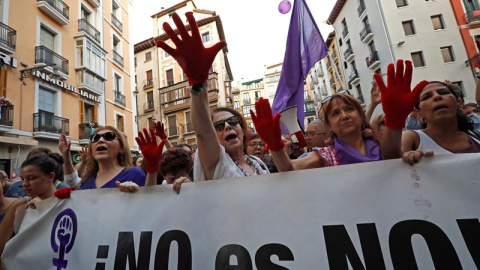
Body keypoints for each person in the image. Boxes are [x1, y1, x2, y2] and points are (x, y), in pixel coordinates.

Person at [156, 12, 269, 181]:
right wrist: (197, 81)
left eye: (232, 121)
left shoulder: (257, 162)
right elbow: (202, 131)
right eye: (218, 126)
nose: (227, 127)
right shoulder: (217, 161)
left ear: (242, 127)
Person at [375, 61, 480, 164]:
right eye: (427, 97)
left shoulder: (475, 136)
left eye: (443, 92)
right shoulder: (412, 138)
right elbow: (391, 157)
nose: (437, 96)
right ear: (419, 113)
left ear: (458, 103)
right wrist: (395, 121)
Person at [0, 153, 63, 255]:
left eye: (31, 178)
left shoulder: (66, 202)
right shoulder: (20, 205)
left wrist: (44, 209)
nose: (24, 184)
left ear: (51, 177)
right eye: (22, 179)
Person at [59, 127, 145, 192]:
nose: (100, 140)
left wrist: (136, 193)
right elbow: (72, 183)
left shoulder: (135, 174)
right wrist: (66, 155)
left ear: (121, 148)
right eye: (95, 138)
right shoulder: (87, 179)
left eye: (109, 136)